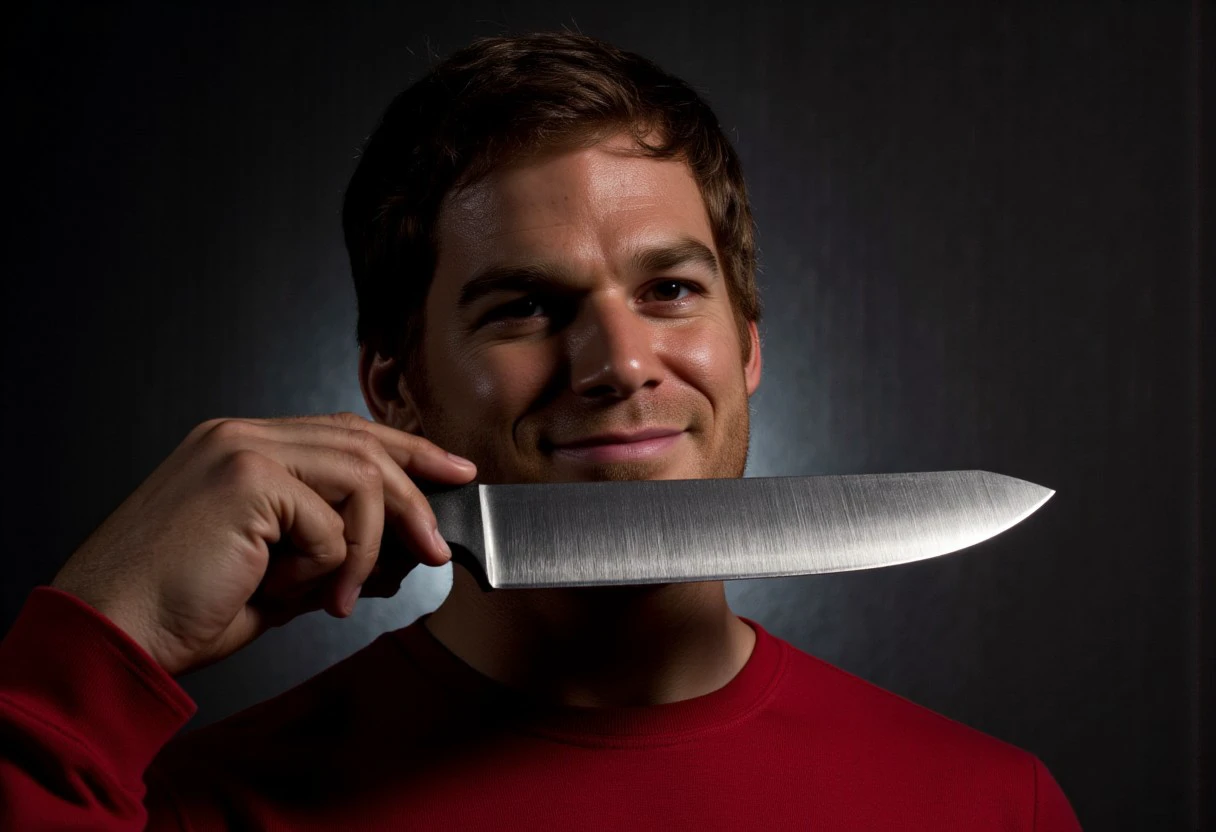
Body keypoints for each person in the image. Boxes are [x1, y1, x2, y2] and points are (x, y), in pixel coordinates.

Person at [0, 31, 1082, 830]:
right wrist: (97, 637)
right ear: (396, 384)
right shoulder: (208, 807)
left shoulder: (987, 803)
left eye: (667, 288)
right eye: (520, 306)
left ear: (745, 347)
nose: (617, 363)